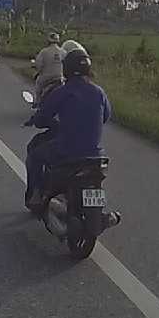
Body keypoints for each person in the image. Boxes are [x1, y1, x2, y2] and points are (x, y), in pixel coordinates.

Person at [24, 43, 111, 209]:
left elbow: (42, 118)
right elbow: (105, 116)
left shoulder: (63, 91)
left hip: (67, 151)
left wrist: (39, 121)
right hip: (96, 155)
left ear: (67, 69)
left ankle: (35, 196)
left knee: (35, 155)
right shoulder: (99, 92)